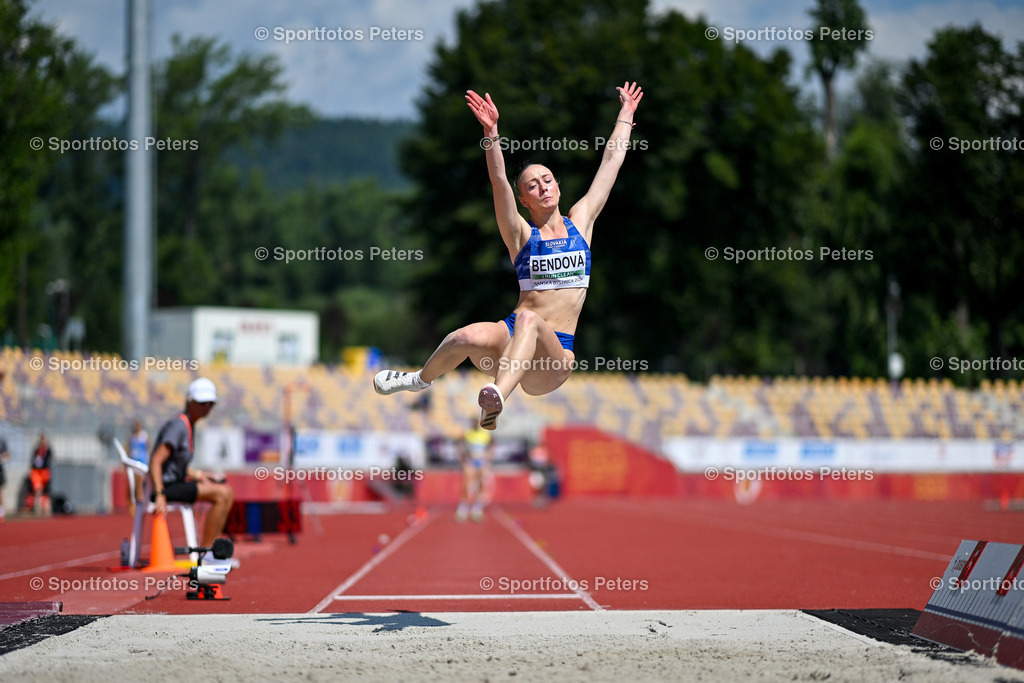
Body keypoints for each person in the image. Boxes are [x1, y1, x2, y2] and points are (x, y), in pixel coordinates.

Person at [374, 82, 644, 431]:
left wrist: (626, 114)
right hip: (512, 337)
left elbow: (611, 161)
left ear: (558, 187)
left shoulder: (582, 221)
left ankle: (494, 399)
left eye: (548, 180)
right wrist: (492, 133)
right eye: (533, 185)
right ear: (524, 201)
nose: (543, 186)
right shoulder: (520, 234)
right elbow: (499, 180)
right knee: (463, 338)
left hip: (553, 357)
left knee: (531, 321)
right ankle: (419, 380)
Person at [148, 378, 234, 548]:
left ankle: (211, 549)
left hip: (173, 483)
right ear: (189, 401)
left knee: (227, 493)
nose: (207, 408)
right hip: (165, 486)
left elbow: (176, 465)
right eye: (202, 403)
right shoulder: (179, 426)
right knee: (222, 494)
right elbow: (156, 462)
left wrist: (200, 475)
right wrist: (159, 495)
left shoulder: (188, 425)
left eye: (211, 404)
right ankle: (207, 551)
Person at [456, 419, 495, 522]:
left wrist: (489, 455)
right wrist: (462, 456)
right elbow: (459, 443)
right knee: (466, 483)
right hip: (470, 461)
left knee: (481, 484)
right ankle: (463, 508)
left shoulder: (485, 434)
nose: (475, 425)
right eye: (473, 423)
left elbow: (491, 444)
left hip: (481, 461)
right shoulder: (468, 433)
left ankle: (476, 508)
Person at [125, 420, 149, 516]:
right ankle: (132, 504)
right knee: (131, 486)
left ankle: (140, 505)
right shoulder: (131, 438)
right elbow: (128, 449)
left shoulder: (144, 437)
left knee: (139, 485)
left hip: (142, 464)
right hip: (132, 464)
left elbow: (149, 448)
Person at [25, 433, 53, 514]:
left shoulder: (47, 450)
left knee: (46, 489)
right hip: (37, 472)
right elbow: (33, 460)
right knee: (37, 489)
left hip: (44, 471)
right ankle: (37, 506)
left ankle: (46, 507)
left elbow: (50, 459)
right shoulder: (37, 450)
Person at [0, 435, 9, 521]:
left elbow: (7, 454)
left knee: (0, 491)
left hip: (0, 469)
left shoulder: (2, 441)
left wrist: (2, 458)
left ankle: (1, 513)